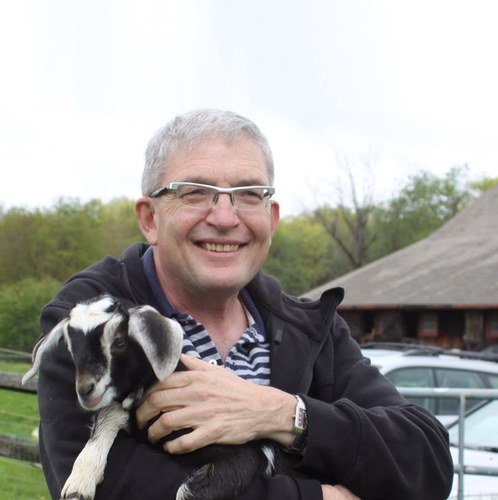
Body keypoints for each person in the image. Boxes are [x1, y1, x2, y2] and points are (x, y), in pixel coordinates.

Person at [36, 109, 453, 500]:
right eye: (196, 192)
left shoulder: (311, 328)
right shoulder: (87, 327)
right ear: (150, 219)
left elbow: (426, 462)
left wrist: (282, 414)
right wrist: (319, 495)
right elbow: (115, 489)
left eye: (248, 194)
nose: (224, 216)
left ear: (271, 218)